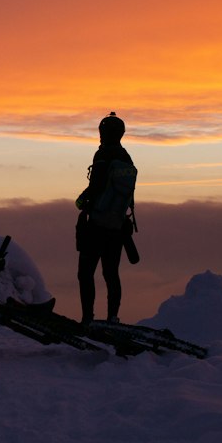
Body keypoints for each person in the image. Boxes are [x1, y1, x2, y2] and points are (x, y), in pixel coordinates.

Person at [75, 111, 138, 324]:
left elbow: (96, 186)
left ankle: (87, 319)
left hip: (96, 225)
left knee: (86, 272)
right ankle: (112, 317)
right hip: (117, 226)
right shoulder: (126, 157)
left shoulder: (103, 155)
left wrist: (81, 201)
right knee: (111, 273)